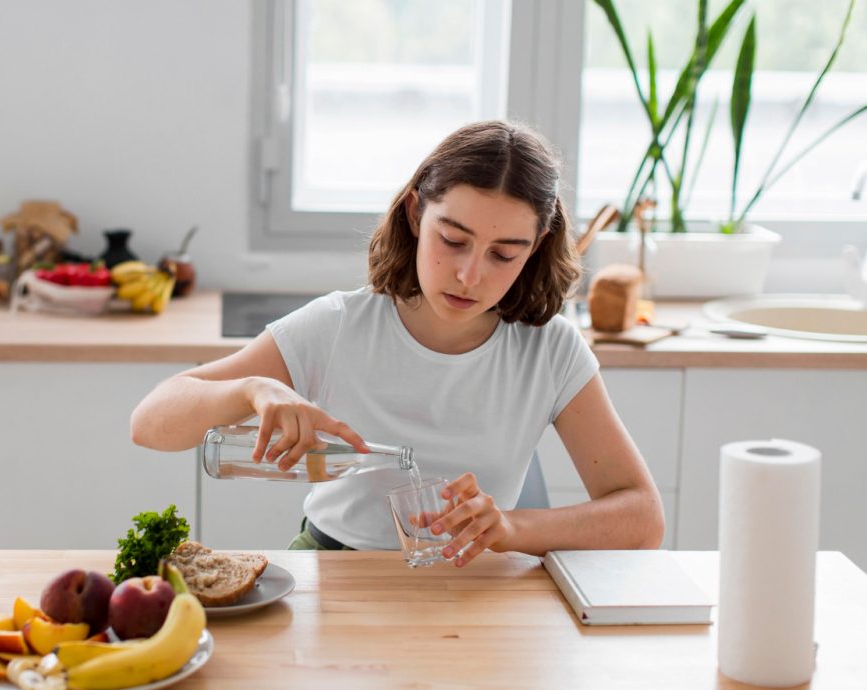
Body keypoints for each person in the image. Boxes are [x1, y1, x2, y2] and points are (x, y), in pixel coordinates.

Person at [131, 120, 664, 566]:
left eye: (504, 254)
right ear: (415, 213)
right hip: (334, 569)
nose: (469, 275)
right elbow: (150, 423)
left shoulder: (550, 351)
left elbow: (643, 518)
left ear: (537, 247)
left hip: (475, 584)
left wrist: (512, 526)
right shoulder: (339, 326)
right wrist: (251, 389)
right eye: (452, 240)